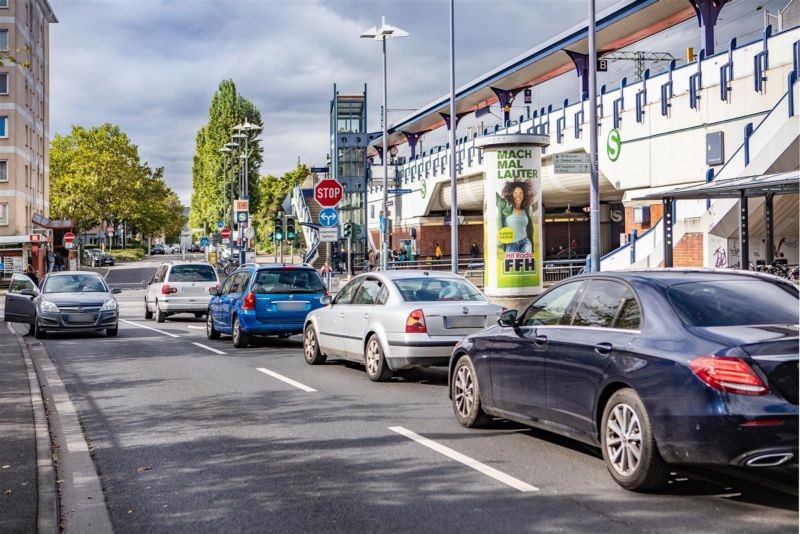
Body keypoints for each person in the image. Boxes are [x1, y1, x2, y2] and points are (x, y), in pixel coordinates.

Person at [497, 180, 534, 254]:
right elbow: (494, 195)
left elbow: (529, 227)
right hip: (511, 244)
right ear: (511, 194)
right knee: (512, 265)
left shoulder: (526, 209)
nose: (518, 195)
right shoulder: (505, 208)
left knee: (526, 264)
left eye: (521, 193)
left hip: (525, 242)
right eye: (515, 193)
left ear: (524, 195)